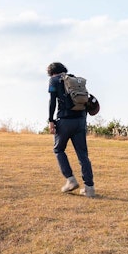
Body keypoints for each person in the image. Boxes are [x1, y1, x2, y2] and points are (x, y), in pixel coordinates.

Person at [47, 62, 95, 197]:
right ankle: (89, 188)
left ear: (51, 73)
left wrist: (51, 120)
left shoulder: (54, 80)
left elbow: (52, 101)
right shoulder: (75, 79)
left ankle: (70, 180)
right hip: (80, 120)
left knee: (58, 149)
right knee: (83, 155)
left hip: (65, 121)